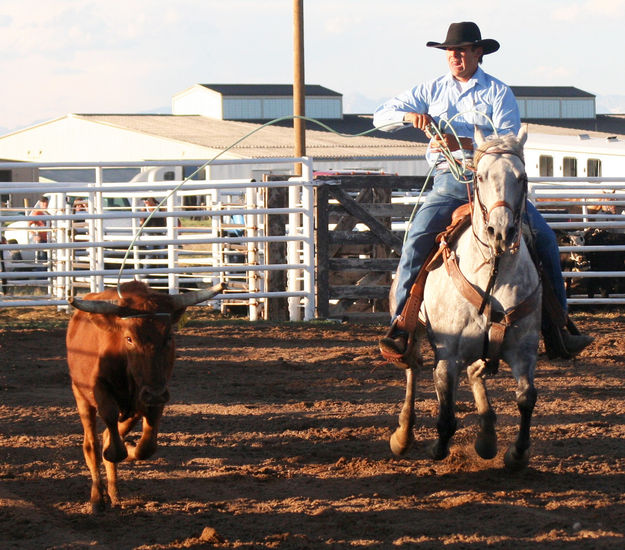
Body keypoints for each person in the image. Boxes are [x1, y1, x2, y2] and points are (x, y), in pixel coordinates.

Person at [374, 21, 593, 361]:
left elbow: (507, 141)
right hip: (450, 179)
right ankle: (402, 324)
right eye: (450, 51)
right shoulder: (430, 89)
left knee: (544, 238)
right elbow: (379, 117)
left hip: (493, 182)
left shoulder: (497, 92)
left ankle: (558, 326)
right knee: (416, 236)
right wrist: (408, 116)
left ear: (478, 53)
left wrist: (459, 141)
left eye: (461, 50)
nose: (454, 56)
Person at [29, 196, 49, 262]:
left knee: (47, 258)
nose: (44, 204)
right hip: (41, 240)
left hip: (48, 240)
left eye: (45, 203)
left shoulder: (48, 214)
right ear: (40, 204)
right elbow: (28, 224)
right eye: (43, 203)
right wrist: (34, 235)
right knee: (42, 258)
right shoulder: (37, 213)